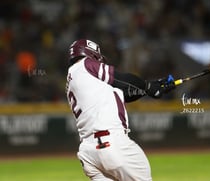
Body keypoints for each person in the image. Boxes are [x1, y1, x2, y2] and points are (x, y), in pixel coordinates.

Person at [66, 39, 175, 181]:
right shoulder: (86, 64)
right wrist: (147, 86)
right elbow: (121, 78)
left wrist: (149, 88)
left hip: (89, 154)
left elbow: (124, 92)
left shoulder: (74, 79)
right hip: (112, 143)